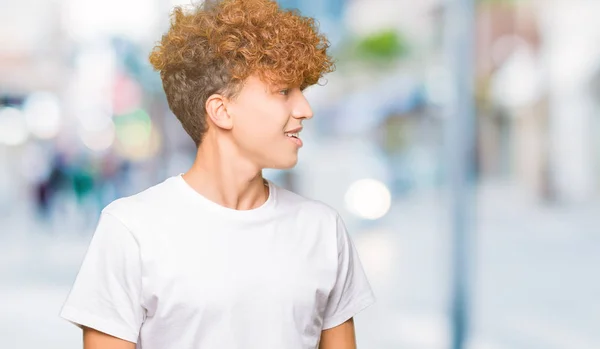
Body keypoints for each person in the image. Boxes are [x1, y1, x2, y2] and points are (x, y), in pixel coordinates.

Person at [59, 0, 375, 348]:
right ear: (221, 110)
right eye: (284, 91)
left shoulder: (323, 230)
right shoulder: (130, 230)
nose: (305, 109)